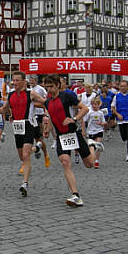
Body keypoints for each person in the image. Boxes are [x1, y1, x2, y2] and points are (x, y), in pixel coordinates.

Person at [43, 74, 103, 207]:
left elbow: (85, 109)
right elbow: (52, 117)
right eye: (47, 87)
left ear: (58, 85)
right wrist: (47, 128)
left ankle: (92, 145)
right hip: (61, 137)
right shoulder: (47, 102)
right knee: (65, 162)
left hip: (73, 133)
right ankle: (75, 195)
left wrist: (74, 119)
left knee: (89, 164)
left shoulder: (67, 96)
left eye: (51, 86)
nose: (49, 90)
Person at [0, 71, 44, 197]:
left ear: (24, 81)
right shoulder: (11, 94)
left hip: (28, 124)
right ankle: (37, 148)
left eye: (18, 80)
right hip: (17, 127)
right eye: (14, 80)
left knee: (25, 155)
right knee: (22, 156)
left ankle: (24, 183)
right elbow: (4, 109)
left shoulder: (31, 93)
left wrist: (44, 114)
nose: (15, 83)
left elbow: (45, 102)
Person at [28, 74, 50, 168]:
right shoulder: (28, 90)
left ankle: (45, 154)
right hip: (29, 116)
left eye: (33, 80)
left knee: (39, 137)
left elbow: (45, 100)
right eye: (30, 80)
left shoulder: (40, 89)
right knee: (28, 140)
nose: (31, 81)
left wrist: (42, 107)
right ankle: (36, 149)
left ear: (36, 81)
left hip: (39, 114)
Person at [85, 98, 107, 169]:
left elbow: (104, 122)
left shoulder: (100, 113)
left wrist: (101, 123)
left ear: (98, 105)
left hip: (99, 131)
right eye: (93, 104)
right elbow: (84, 120)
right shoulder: (89, 112)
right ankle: (92, 159)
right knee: (91, 147)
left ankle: (96, 160)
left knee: (97, 146)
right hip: (90, 131)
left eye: (95, 104)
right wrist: (83, 130)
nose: (94, 106)